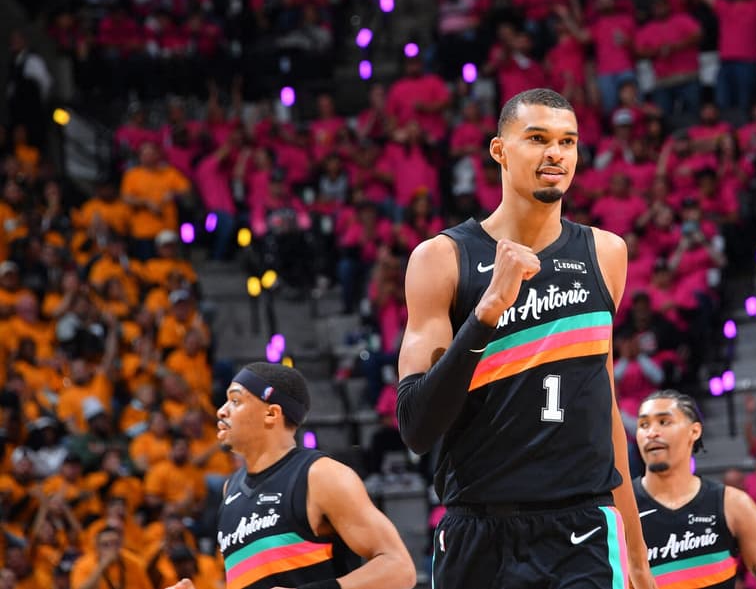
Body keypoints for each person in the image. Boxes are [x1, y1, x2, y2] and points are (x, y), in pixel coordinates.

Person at [396, 88, 655, 589]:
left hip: (583, 528)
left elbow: (603, 404)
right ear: (499, 150)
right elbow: (416, 426)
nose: (555, 153)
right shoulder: (442, 259)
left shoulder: (606, 253)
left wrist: (637, 555)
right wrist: (487, 312)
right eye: (537, 139)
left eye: (568, 142)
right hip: (479, 531)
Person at [164, 362, 416, 589]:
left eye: (235, 401)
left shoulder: (320, 475)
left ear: (271, 413)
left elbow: (399, 569)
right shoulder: (230, 489)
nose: (221, 411)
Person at [633, 389, 756, 589]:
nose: (651, 432)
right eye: (643, 424)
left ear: (694, 431)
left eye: (664, 422)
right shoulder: (622, 509)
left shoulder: (733, 505)